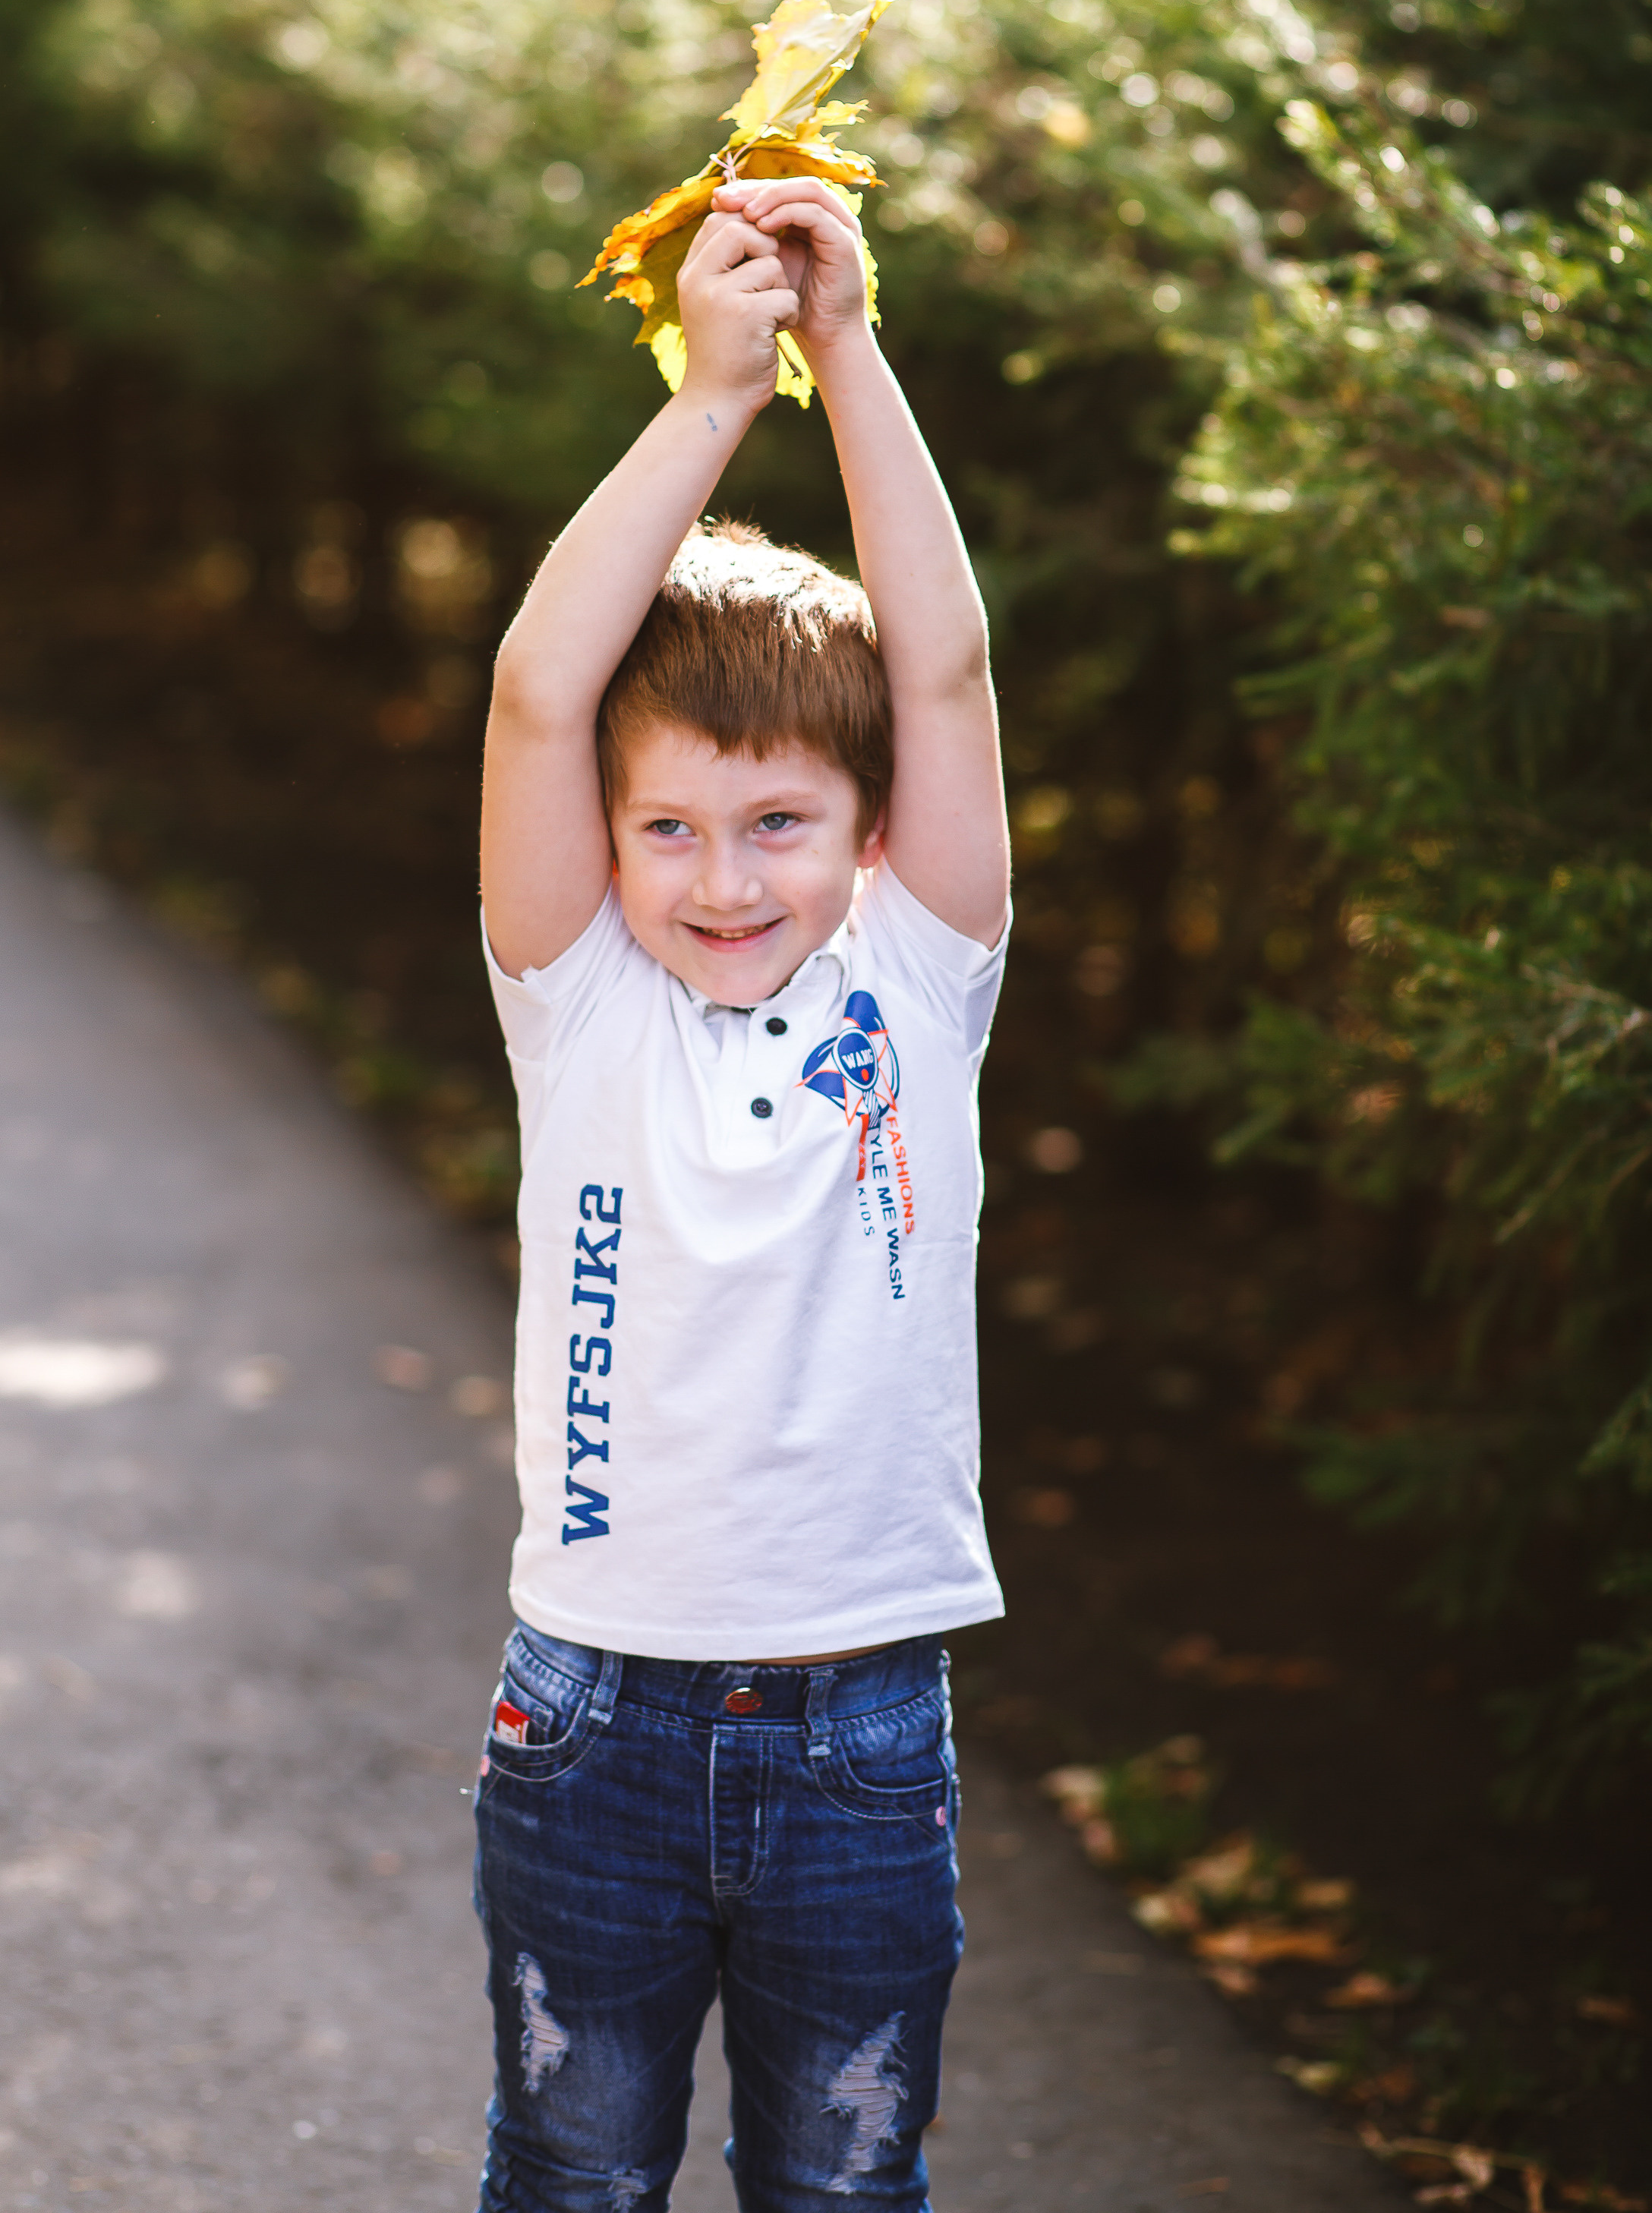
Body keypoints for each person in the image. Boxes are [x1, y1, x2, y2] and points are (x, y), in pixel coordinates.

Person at [474, 172, 1011, 2212]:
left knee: (843, 2186)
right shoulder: (580, 1004)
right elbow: (541, 685)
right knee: (573, 2172)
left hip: (864, 1726)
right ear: (606, 842)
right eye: (670, 825)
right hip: (585, 1717)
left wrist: (845, 348)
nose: (720, 878)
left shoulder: (919, 976)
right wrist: (713, 394)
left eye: (779, 821)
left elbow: (942, 673)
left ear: (869, 831)